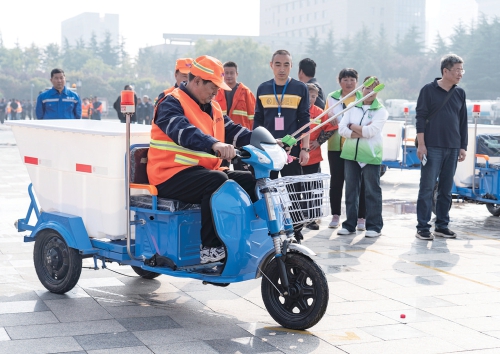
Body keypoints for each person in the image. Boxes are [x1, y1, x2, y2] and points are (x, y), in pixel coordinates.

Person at [147, 55, 257, 264]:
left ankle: (246, 237)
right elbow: (182, 131)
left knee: (250, 181)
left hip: (201, 173)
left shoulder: (213, 106)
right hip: (170, 175)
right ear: (196, 81)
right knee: (216, 181)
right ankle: (210, 248)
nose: (216, 92)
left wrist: (264, 140)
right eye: (213, 87)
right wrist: (214, 144)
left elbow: (233, 130)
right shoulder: (170, 102)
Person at [254, 49, 310, 241]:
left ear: (291, 66)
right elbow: (258, 122)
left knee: (293, 190)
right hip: (268, 150)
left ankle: (296, 228)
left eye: (286, 64)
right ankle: (269, 227)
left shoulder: (300, 88)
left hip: (291, 149)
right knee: (266, 190)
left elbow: (305, 121)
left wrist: (304, 148)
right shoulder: (262, 89)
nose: (282, 69)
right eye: (278, 64)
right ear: (271, 65)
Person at [415, 54, 468, 240]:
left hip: (453, 147)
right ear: (445, 71)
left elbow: (463, 122)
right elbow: (420, 117)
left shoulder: (460, 93)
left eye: (462, 70)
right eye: (457, 70)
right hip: (432, 147)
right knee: (427, 188)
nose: (460, 74)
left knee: (446, 189)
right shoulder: (428, 90)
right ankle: (422, 227)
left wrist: (463, 146)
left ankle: (442, 225)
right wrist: (421, 145)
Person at [338, 77, 388, 237]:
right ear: (361, 89)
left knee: (372, 191)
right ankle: (349, 224)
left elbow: (371, 132)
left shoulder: (381, 110)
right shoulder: (352, 107)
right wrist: (358, 130)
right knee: (351, 190)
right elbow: (341, 129)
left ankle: (374, 226)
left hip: (371, 154)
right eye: (367, 88)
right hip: (350, 154)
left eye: (374, 89)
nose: (370, 92)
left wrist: (352, 127)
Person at [325, 68, 367, 230]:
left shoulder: (362, 97)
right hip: (335, 145)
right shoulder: (332, 97)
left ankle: (361, 217)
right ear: (339, 81)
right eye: (345, 80)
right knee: (336, 180)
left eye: (352, 80)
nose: (349, 83)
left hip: (356, 144)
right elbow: (325, 118)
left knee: (358, 182)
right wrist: (331, 121)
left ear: (357, 82)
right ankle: (335, 215)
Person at [302, 83, 335, 230]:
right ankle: (300, 217)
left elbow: (331, 128)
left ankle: (312, 218)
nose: (311, 99)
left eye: (314, 96)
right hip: (296, 158)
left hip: (313, 157)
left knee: (314, 189)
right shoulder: (297, 111)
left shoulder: (320, 112)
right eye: (308, 96)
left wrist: (318, 141)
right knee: (299, 189)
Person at [214, 61, 256, 130]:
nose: (229, 76)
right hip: (222, 133)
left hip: (242, 134)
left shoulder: (246, 92)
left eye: (231, 73)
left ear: (237, 74)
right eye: (226, 73)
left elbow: (253, 117)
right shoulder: (217, 93)